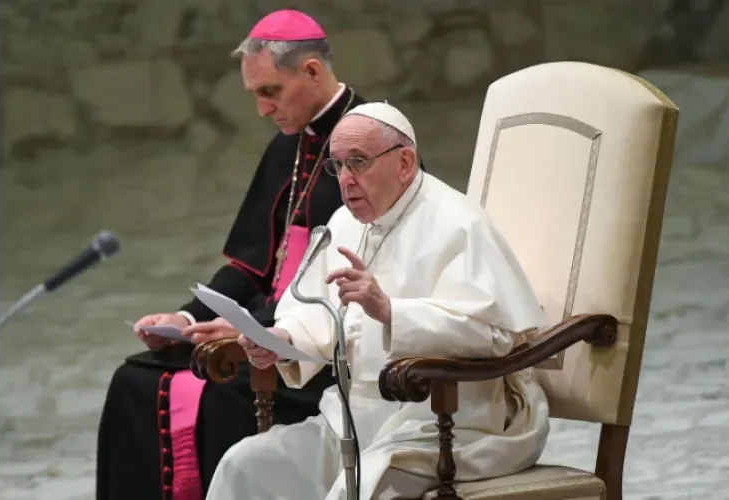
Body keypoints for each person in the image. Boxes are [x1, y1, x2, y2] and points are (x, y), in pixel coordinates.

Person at [195, 102, 551, 500]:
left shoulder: (457, 223)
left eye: (358, 163)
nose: (345, 180)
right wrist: (282, 340)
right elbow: (314, 310)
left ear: (404, 163)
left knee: (358, 490)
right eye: (338, 165)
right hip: (351, 420)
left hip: (446, 425)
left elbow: (494, 335)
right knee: (244, 465)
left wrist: (391, 312)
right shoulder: (343, 223)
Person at [95, 9, 370, 500]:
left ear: (310, 71)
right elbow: (248, 264)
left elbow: (359, 278)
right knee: (133, 380)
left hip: (320, 350)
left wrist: (256, 327)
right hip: (264, 327)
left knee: (216, 392)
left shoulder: (371, 147)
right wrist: (184, 318)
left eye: (271, 92)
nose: (263, 109)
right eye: (255, 95)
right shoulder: (285, 149)